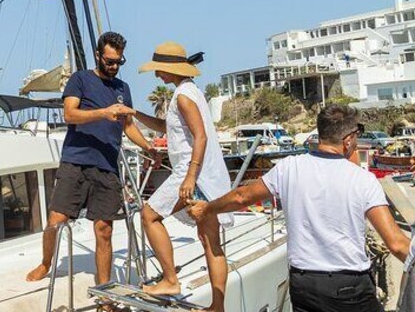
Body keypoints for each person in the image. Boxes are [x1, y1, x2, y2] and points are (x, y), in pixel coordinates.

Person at [188, 104, 411, 312]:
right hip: (349, 287)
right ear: (348, 140)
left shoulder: (289, 168)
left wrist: (207, 208)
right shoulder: (363, 180)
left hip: (305, 285)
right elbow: (396, 243)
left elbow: (241, 197)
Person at [26, 32, 156, 291]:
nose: (114, 66)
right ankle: (46, 263)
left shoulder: (123, 89)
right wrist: (104, 113)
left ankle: (104, 287)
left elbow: (128, 125)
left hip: (107, 166)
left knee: (104, 229)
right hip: (76, 161)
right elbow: (70, 114)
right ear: (98, 55)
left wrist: (148, 147)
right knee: (56, 220)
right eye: (109, 61)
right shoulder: (80, 79)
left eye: (119, 61)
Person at [133, 42, 233, 312]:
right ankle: (218, 307)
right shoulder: (190, 91)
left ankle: (170, 279)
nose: (157, 75)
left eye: (159, 69)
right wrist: (134, 114)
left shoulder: (183, 97)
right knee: (210, 241)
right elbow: (168, 127)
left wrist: (189, 177)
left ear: (171, 68)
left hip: (191, 172)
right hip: (207, 175)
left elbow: (200, 136)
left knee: (149, 215)